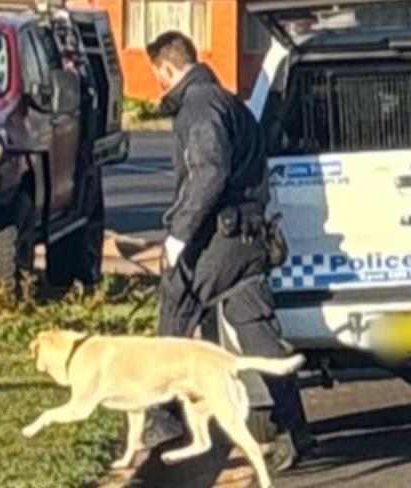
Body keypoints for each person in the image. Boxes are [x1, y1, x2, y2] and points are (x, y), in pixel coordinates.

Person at [141, 31, 314, 471]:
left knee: (176, 308)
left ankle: (162, 426)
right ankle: (293, 430)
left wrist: (178, 235)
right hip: (249, 239)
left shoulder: (198, 108)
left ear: (165, 68)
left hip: (218, 238)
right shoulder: (228, 101)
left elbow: (207, 173)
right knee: (255, 329)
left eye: (157, 76)